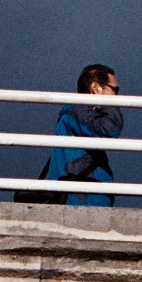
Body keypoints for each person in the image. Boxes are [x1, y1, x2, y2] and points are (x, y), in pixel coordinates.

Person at [43, 64, 123, 206]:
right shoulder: (77, 113)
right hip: (80, 202)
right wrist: (111, 104)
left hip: (83, 200)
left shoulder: (79, 116)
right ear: (96, 88)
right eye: (115, 90)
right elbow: (109, 129)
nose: (118, 96)